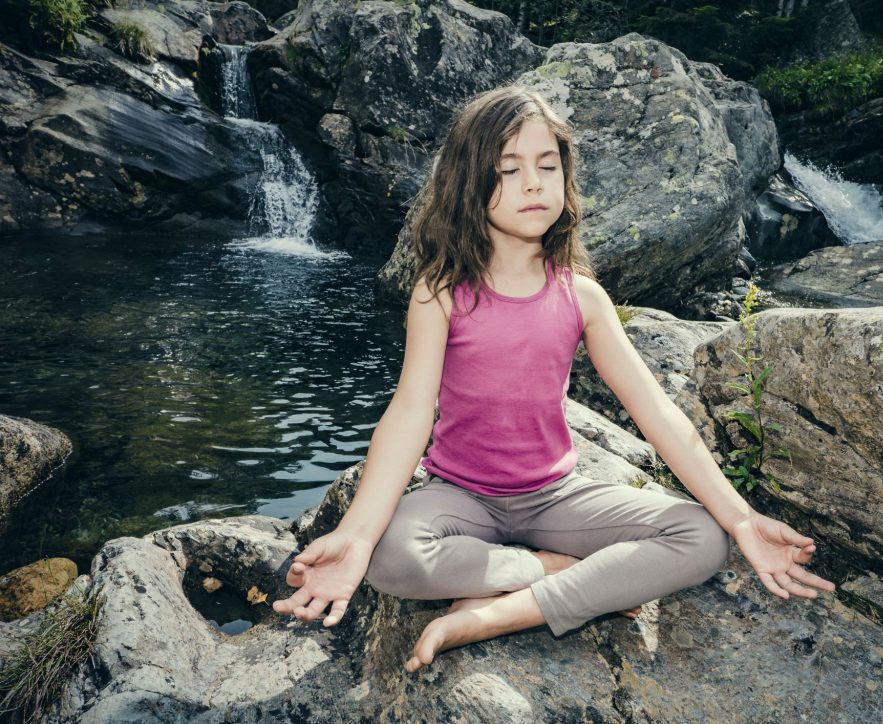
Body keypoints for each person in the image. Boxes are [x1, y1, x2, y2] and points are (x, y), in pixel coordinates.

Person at [272, 85, 836, 674]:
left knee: (703, 538)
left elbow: (657, 413)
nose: (535, 183)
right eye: (508, 169)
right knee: (390, 559)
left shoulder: (582, 295)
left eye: (547, 165)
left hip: (556, 497)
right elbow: (411, 412)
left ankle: (496, 613)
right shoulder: (440, 293)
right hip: (461, 496)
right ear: (470, 184)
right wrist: (357, 536)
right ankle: (557, 572)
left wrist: (743, 519)